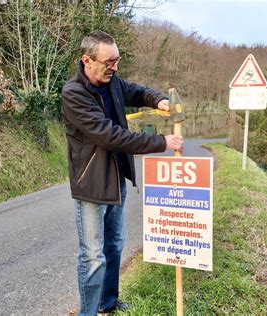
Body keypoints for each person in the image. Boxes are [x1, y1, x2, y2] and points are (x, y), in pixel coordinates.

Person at [61, 31, 183, 316]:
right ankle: (88, 313)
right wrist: (161, 142)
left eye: (117, 60)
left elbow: (137, 91)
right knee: (92, 256)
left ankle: (108, 303)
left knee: (115, 245)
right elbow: (110, 136)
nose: (115, 67)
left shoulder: (112, 81)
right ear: (87, 61)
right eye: (109, 62)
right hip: (91, 186)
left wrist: (159, 100)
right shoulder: (74, 94)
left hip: (116, 180)